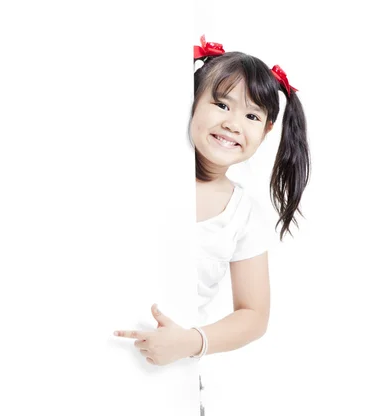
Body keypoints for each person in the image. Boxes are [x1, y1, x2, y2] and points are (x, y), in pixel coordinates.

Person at [113, 35, 310, 415]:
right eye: (221, 104)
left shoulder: (244, 212)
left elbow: (254, 315)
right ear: (191, 103)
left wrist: (190, 342)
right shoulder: (145, 172)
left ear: (267, 130)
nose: (233, 123)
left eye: (252, 116)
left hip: (171, 381)